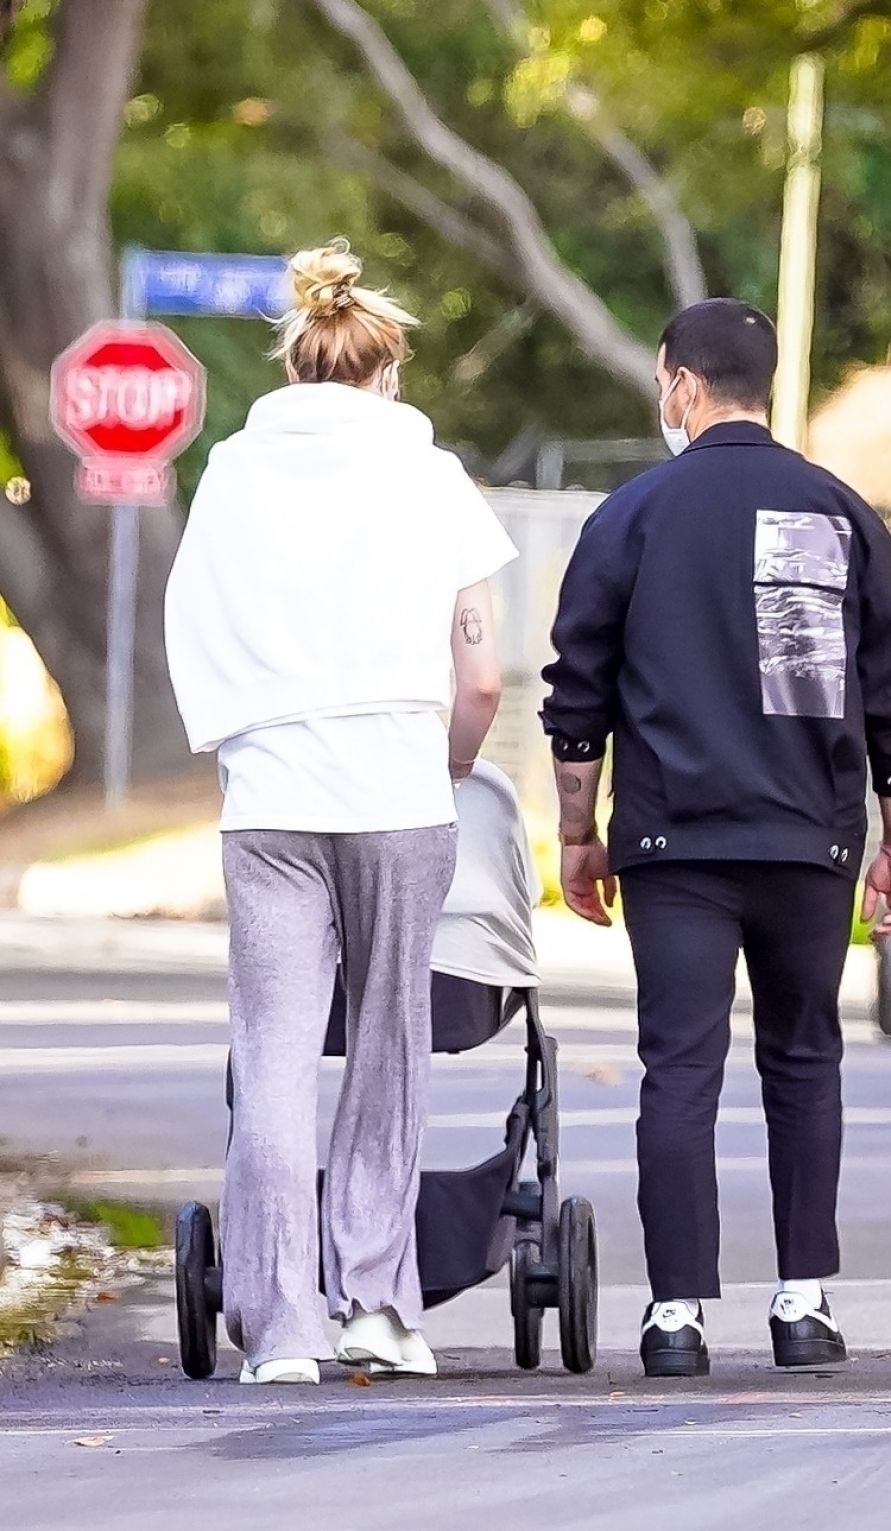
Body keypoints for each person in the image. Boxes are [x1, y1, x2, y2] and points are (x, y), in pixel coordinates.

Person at [540, 298, 891, 1378]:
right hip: (810, 837)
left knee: (680, 1067)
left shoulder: (631, 515)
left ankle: (675, 1318)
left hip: (674, 845)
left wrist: (577, 834)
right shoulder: (837, 511)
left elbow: (577, 698)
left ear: (679, 383)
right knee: (805, 1059)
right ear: (764, 385)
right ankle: (802, 1306)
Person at [165, 238, 516, 1386]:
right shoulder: (431, 473)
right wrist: (448, 767)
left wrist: (245, 736)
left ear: (296, 365)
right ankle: (375, 1300)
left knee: (270, 1059)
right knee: (386, 1050)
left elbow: (191, 628)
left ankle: (282, 1330)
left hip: (269, 796)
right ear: (387, 370)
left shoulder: (230, 470)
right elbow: (479, 676)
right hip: (396, 791)